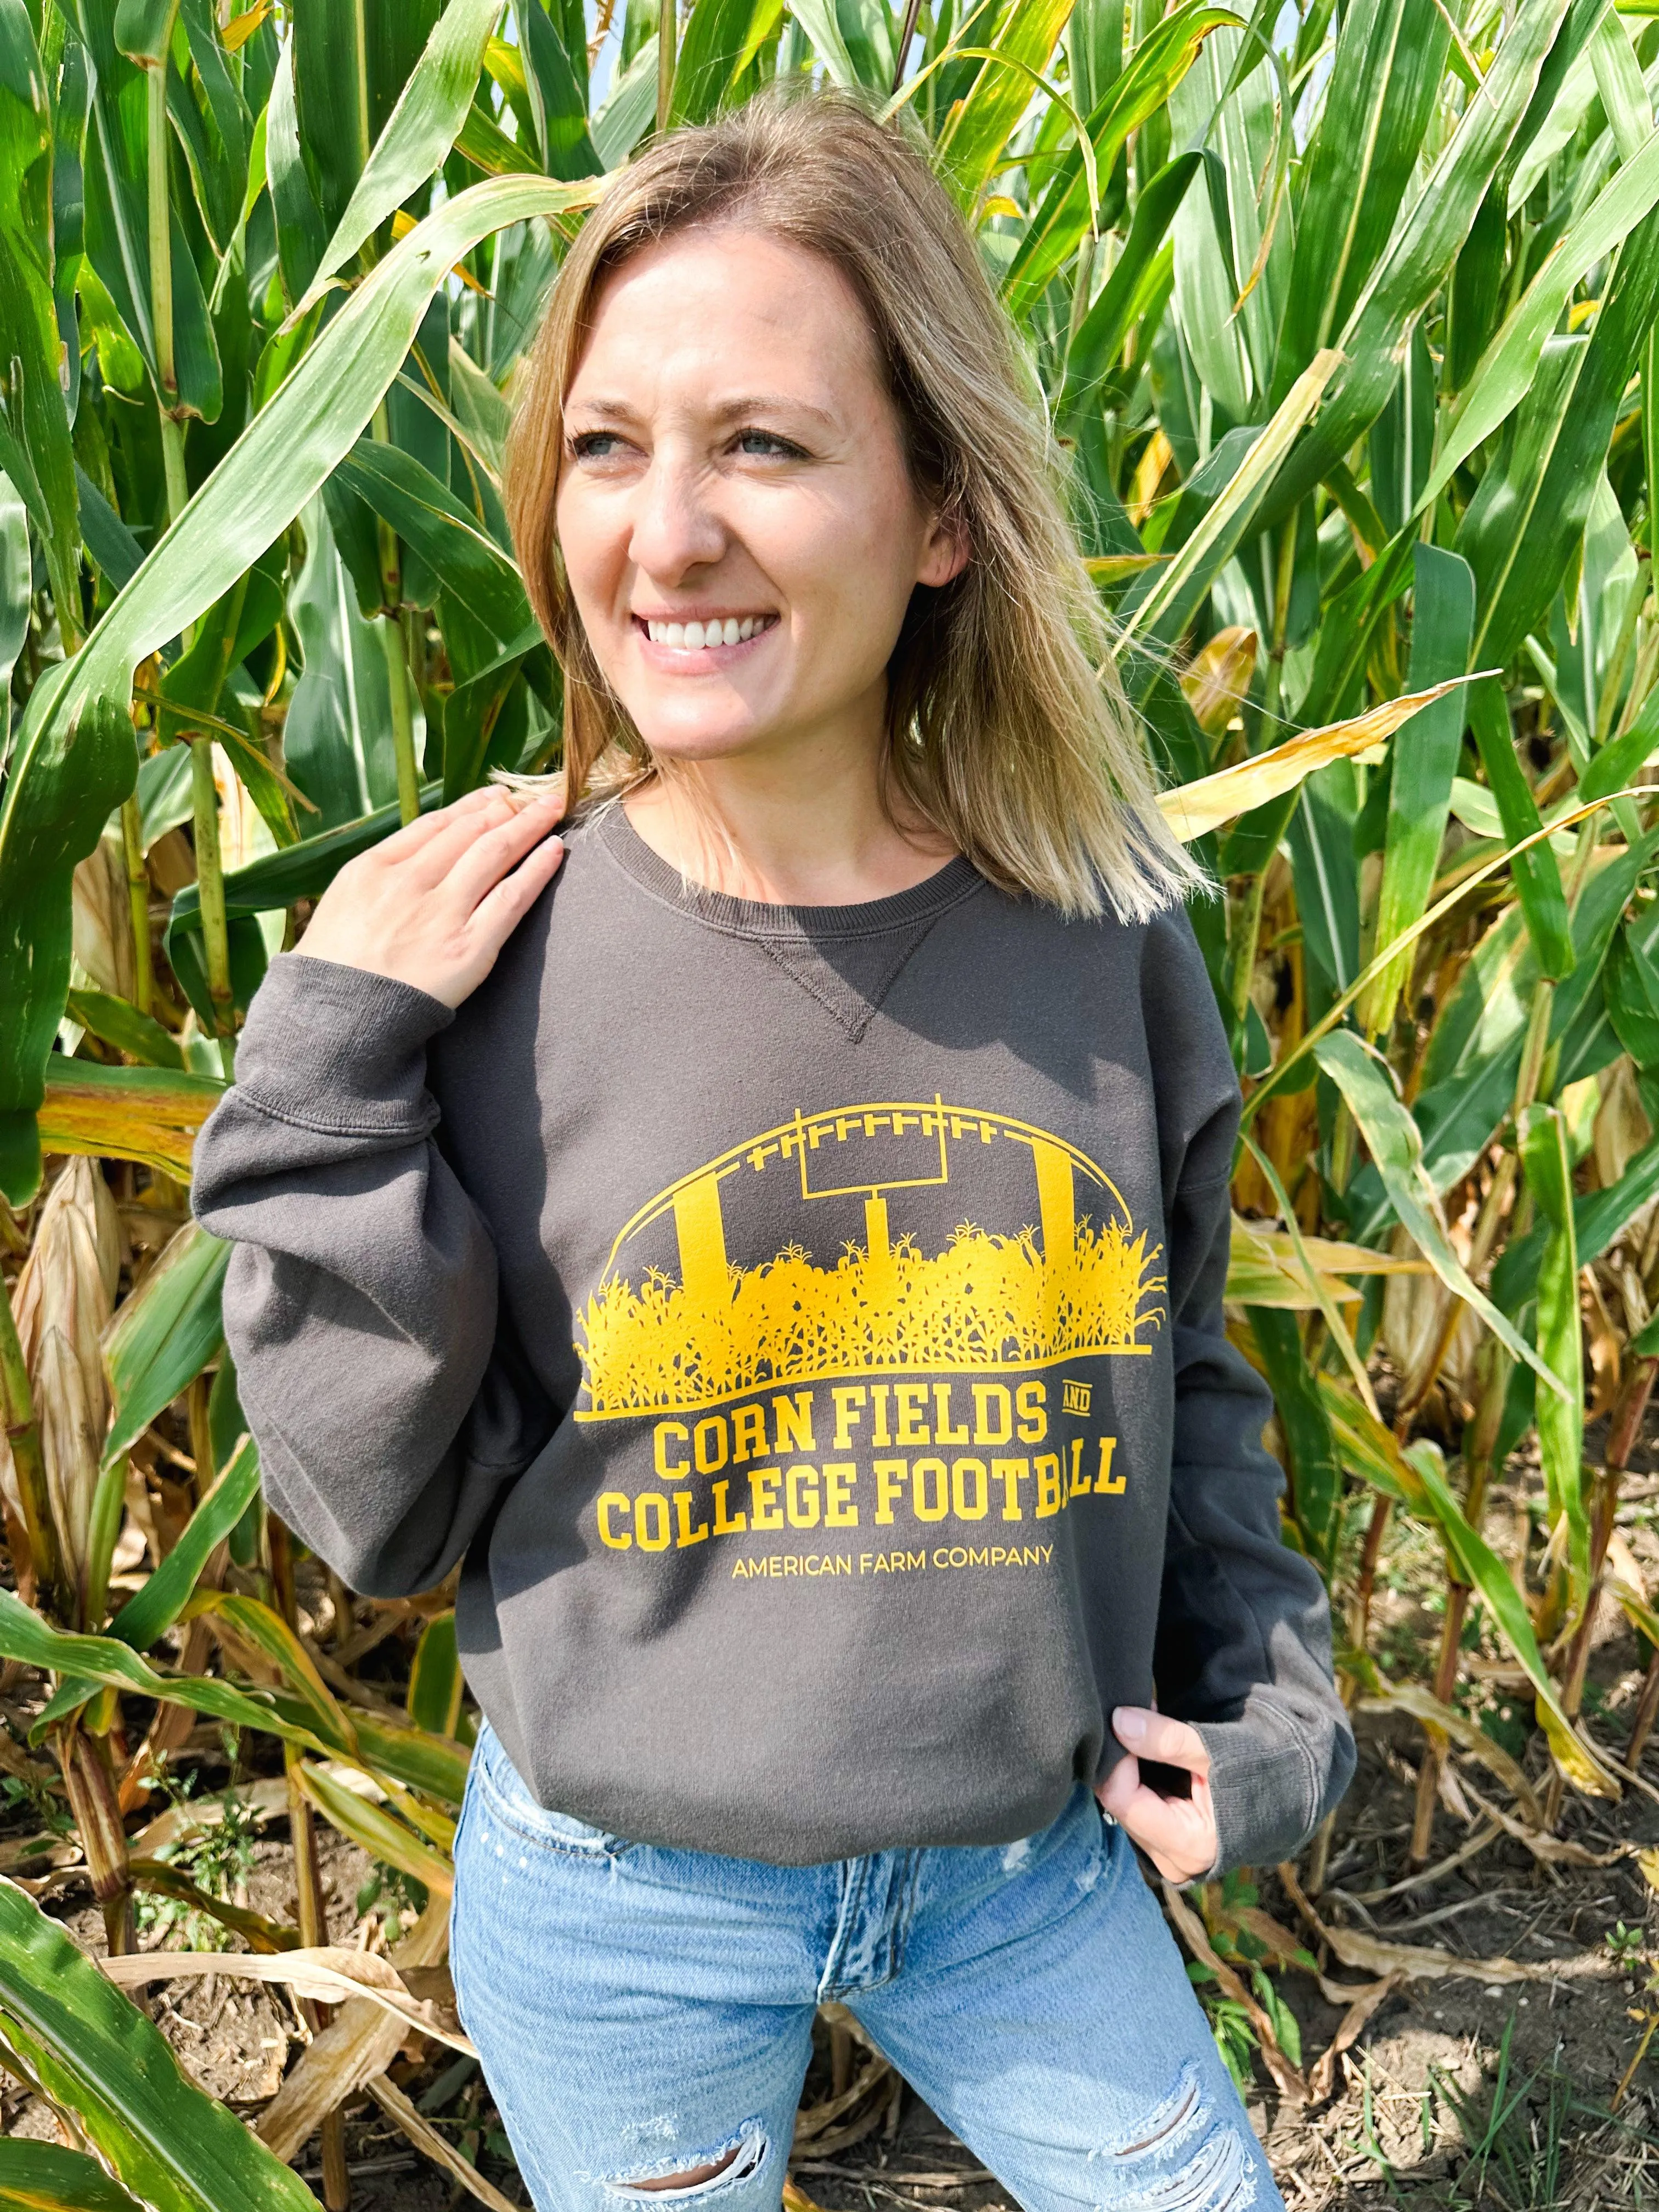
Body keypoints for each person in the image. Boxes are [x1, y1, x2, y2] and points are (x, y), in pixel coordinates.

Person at [192, 89, 1352, 2212]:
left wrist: (1276, 1719)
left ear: (939, 514)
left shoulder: (1106, 937)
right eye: (610, 448)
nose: (668, 531)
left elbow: (1185, 1377)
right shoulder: (489, 962)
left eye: (768, 445)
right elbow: (377, 1518)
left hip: (1032, 1879)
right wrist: (321, 1081)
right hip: (625, 1904)